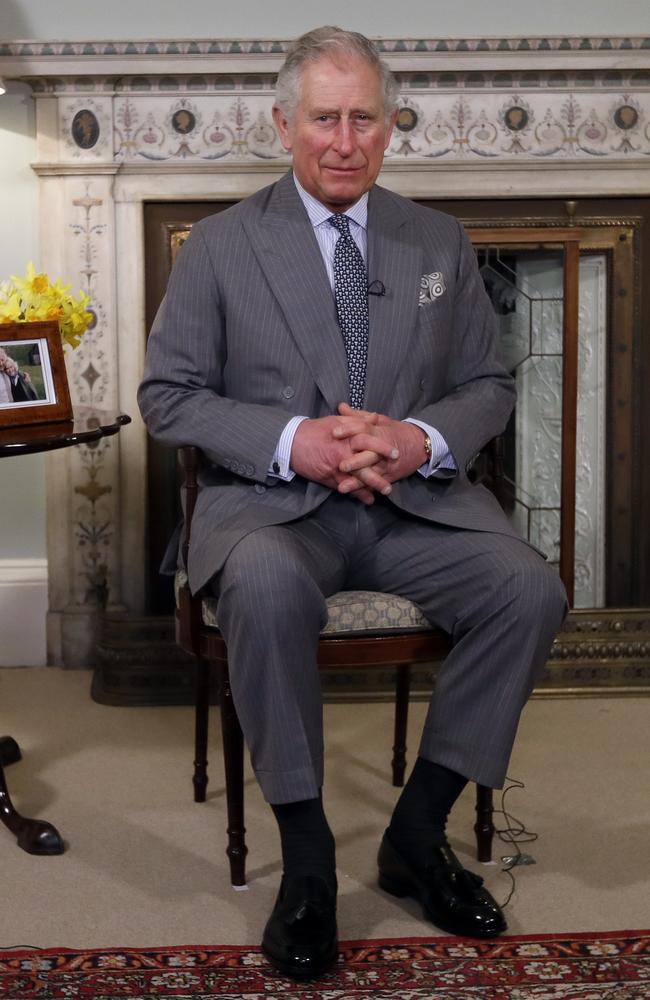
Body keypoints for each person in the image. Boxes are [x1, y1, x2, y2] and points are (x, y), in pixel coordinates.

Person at [139, 26, 567, 981]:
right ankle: (310, 862)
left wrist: (418, 438)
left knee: (528, 590)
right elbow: (167, 395)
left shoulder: (437, 240)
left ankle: (417, 833)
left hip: (415, 505)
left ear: (390, 126)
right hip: (272, 511)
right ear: (285, 124)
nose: (343, 140)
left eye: (363, 118)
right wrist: (300, 441)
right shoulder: (219, 245)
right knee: (261, 588)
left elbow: (487, 384)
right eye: (324, 118)